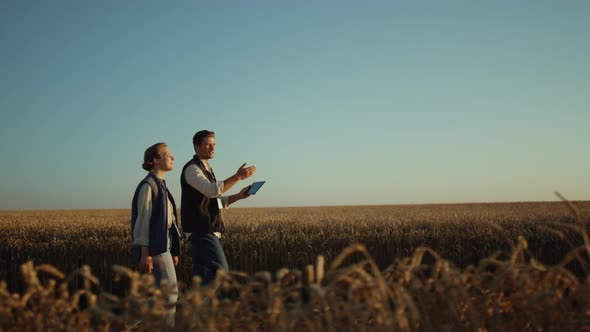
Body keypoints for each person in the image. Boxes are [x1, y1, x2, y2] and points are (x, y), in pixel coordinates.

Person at [180, 130, 256, 286]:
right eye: (208, 144)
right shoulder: (192, 169)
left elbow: (214, 201)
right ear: (196, 146)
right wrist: (238, 177)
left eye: (214, 144)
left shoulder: (206, 168)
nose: (212, 148)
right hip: (201, 229)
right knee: (220, 270)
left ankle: (195, 307)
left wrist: (238, 196)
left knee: (200, 275)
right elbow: (212, 190)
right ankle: (198, 305)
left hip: (204, 228)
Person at [131, 142, 180, 327]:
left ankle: (124, 324)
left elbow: (169, 221)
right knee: (170, 294)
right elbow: (142, 222)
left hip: (162, 246)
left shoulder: (160, 185)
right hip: (155, 248)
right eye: (168, 155)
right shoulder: (148, 186)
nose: (173, 157)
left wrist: (173, 249)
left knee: (158, 296)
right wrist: (145, 254)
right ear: (156, 160)